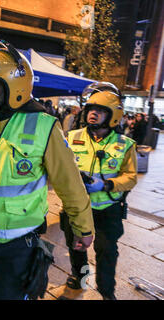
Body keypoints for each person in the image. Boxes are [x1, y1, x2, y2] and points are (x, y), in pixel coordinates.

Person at [0, 37, 94, 300]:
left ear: (14, 86)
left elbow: (70, 184)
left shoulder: (44, 126)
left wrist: (83, 228)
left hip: (20, 243)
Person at [62, 85, 137, 300]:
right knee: (76, 246)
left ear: (113, 116)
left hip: (107, 209)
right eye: (91, 109)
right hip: (76, 207)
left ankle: (106, 292)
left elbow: (130, 177)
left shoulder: (125, 144)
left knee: (106, 251)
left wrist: (105, 185)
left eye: (100, 110)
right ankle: (80, 277)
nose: (93, 113)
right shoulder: (71, 136)